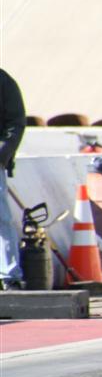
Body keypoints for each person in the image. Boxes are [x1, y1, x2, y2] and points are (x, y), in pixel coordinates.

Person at [0, 69, 27, 291]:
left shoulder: (3, 81)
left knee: (2, 220)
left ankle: (9, 275)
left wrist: (2, 154)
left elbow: (15, 122)